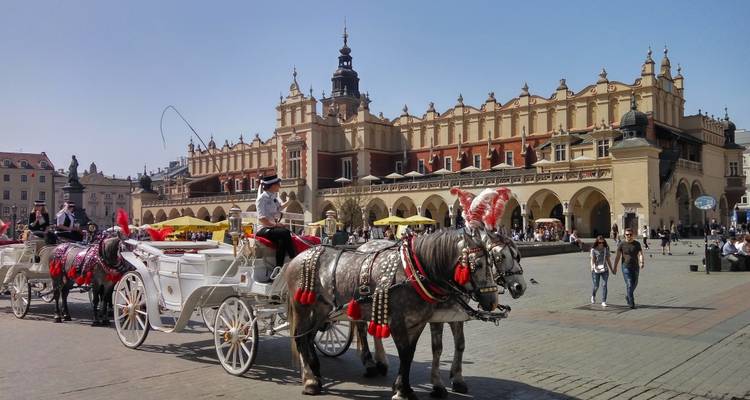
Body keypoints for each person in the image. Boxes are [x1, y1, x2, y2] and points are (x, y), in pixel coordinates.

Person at [255, 174, 296, 279]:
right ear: (272, 185)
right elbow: (262, 219)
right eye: (278, 184)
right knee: (285, 232)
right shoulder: (262, 199)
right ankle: (293, 258)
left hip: (272, 227)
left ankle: (278, 268)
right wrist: (276, 224)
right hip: (263, 229)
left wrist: (290, 201)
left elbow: (279, 208)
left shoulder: (273, 197)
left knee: (281, 241)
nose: (279, 186)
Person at [613, 227, 645, 309]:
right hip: (625, 266)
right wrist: (615, 267)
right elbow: (617, 256)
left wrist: (642, 262)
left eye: (630, 234)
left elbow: (640, 254)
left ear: (633, 235)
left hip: (635, 266)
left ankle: (628, 295)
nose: (629, 236)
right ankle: (631, 302)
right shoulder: (622, 244)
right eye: (627, 234)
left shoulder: (637, 244)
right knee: (630, 284)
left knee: (635, 283)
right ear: (624, 235)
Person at [590, 235, 613, 307]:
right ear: (597, 242)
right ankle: (593, 295)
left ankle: (603, 301)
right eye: (599, 242)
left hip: (604, 269)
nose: (601, 244)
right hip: (596, 270)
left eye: (602, 242)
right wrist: (592, 267)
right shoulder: (593, 249)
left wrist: (611, 269)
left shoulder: (606, 249)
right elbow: (592, 259)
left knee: (604, 285)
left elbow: (608, 259)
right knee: (596, 286)